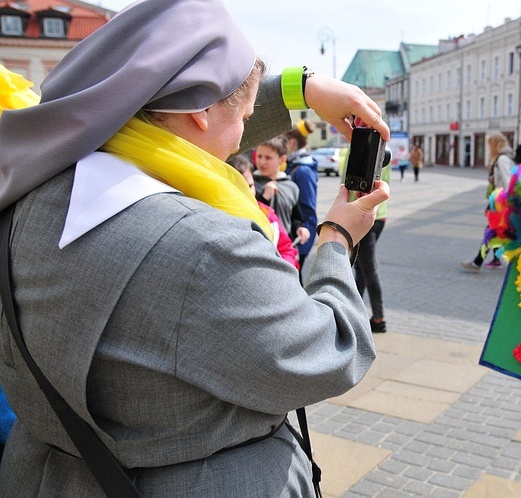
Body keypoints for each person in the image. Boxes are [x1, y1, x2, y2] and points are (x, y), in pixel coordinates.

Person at [0, 1, 391, 495]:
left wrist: (301, 88)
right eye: (244, 118)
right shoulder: (207, 248)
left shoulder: (28, 188)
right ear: (201, 112)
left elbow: (167, 124)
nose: (238, 143)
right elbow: (332, 353)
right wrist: (338, 237)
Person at [228, 154, 300, 270]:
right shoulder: (220, 216)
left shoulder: (267, 213)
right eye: (240, 187)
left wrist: (284, 268)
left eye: (250, 186)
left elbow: (286, 248)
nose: (248, 192)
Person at [460, 133, 515, 272]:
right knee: (495, 231)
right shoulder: (506, 157)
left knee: (491, 231)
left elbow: (509, 182)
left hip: (501, 201)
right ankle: (494, 260)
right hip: (500, 200)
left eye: (489, 144)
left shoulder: (502, 159)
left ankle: (478, 262)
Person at [352, 163, 391, 333]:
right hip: (378, 215)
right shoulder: (384, 150)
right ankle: (353, 311)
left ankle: (378, 318)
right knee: (361, 268)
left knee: (368, 269)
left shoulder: (363, 150)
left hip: (363, 214)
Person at [252, 136, 310, 247]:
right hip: (259, 247)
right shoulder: (251, 184)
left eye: (268, 158)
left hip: (285, 249)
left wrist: (300, 228)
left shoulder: (291, 187)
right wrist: (264, 198)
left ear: (282, 159)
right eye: (259, 156)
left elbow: (295, 217)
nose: (262, 162)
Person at [284, 119, 318, 277]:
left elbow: (307, 209)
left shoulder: (303, 171)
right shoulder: (293, 165)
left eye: (282, 141)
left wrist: (300, 244)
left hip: (300, 238)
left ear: (291, 143)